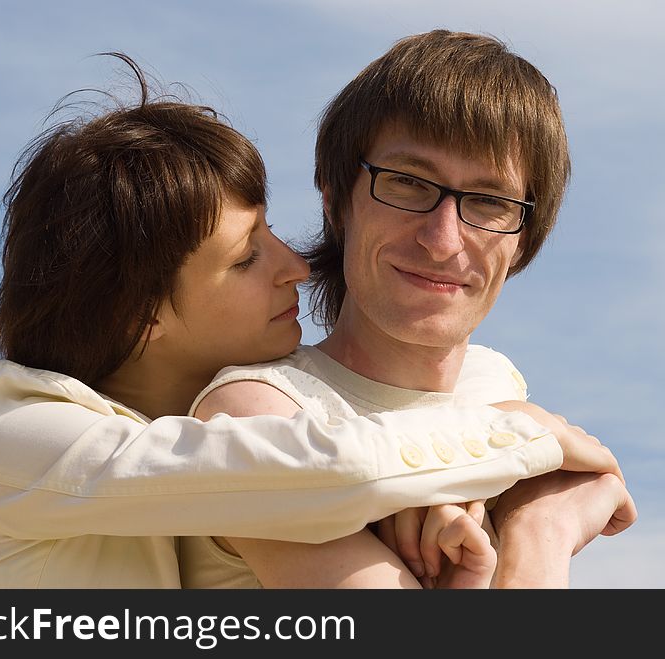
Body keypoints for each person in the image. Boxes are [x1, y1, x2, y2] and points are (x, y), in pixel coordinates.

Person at [0, 52, 615, 588]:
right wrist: (534, 505)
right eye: (244, 259)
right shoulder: (22, 429)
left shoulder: (493, 380)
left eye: (491, 201)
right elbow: (313, 469)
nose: (294, 264)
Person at [184, 29, 637, 588]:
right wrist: (541, 532)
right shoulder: (256, 411)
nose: (443, 240)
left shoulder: (493, 384)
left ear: (524, 239)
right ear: (336, 200)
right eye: (407, 183)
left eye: (490, 201)